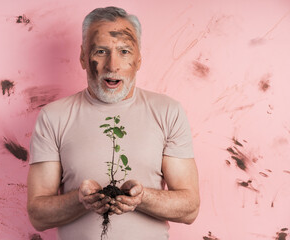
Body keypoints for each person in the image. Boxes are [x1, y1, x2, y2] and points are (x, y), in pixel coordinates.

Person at [27, 6, 200, 240]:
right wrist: (81, 200)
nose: (112, 65)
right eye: (101, 51)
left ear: (139, 59)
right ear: (83, 57)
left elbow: (190, 208)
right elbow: (38, 216)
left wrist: (142, 198)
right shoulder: (53, 116)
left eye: (124, 51)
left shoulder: (168, 111)